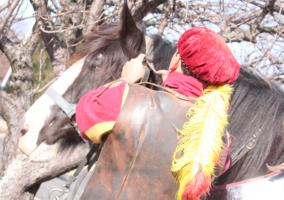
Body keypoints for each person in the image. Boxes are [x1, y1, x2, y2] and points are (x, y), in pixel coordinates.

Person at [75, 27, 240, 199]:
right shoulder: (218, 140)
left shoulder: (129, 98)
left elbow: (85, 116)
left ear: (176, 59)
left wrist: (127, 79)